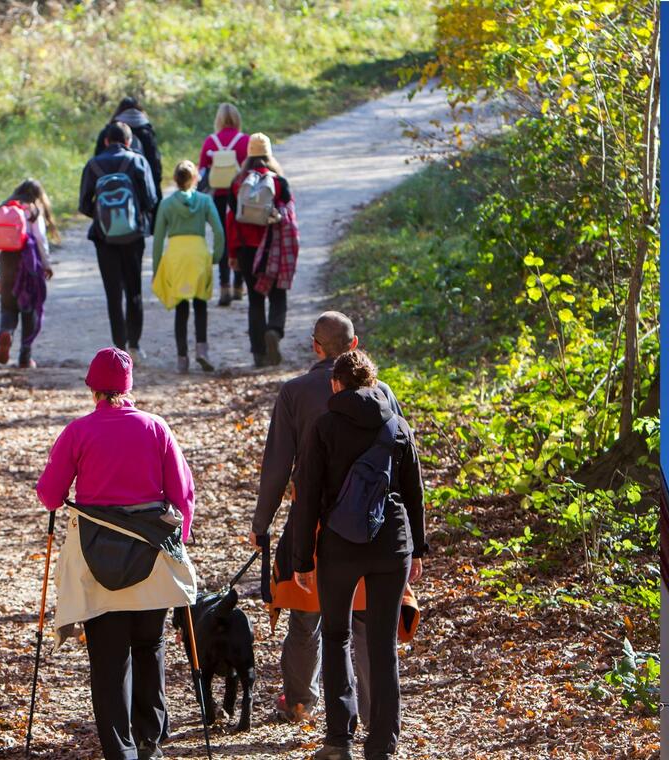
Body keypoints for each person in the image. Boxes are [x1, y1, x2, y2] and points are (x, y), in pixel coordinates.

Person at [36, 347, 198, 760]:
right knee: (149, 645)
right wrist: (184, 538)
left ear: (92, 389)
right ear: (129, 388)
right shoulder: (156, 428)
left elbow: (50, 496)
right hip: (151, 559)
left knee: (109, 660)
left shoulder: (78, 432)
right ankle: (150, 740)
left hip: (97, 560)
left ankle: (119, 750)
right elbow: (183, 495)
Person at [249, 312, 403, 726]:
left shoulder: (295, 393)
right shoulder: (383, 392)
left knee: (307, 614)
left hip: (316, 521)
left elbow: (277, 465)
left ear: (316, 347)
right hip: (374, 522)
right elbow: (401, 462)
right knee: (367, 620)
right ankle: (372, 713)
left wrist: (261, 523)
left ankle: (300, 700)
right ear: (355, 346)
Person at [291, 350, 428, 760]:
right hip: (392, 545)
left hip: (340, 546)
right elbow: (415, 492)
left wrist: (301, 559)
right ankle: (382, 745)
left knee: (336, 636)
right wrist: (418, 548)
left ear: (335, 384)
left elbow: (307, 499)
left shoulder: (324, 428)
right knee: (383, 645)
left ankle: (338, 740)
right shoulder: (397, 425)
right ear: (372, 383)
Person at [79, 122, 159, 363]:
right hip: (134, 237)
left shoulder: (93, 165)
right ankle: (135, 345)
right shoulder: (137, 162)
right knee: (134, 290)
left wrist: (106, 219)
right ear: (128, 141)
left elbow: (83, 205)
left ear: (105, 141)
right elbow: (151, 200)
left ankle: (119, 347)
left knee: (113, 293)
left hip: (104, 239)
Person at [226, 133, 299, 367]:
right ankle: (274, 331)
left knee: (255, 300)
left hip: (247, 250)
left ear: (249, 154)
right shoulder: (279, 182)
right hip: (272, 248)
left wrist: (232, 253)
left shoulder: (238, 183)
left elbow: (232, 220)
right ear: (269, 154)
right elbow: (289, 217)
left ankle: (258, 354)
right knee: (278, 294)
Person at [152, 160, 225, 374]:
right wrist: (215, 256)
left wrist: (157, 268)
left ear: (174, 179)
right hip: (199, 254)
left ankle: (182, 357)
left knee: (181, 307)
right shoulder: (205, 201)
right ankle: (202, 350)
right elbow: (219, 231)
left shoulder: (166, 205)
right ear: (195, 179)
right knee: (201, 304)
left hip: (176, 256)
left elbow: (157, 239)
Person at [0, 178, 58, 368]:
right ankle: (25, 357)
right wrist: (46, 264)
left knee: (8, 307)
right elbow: (40, 240)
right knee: (29, 308)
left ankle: (6, 331)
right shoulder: (32, 211)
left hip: (7, 262)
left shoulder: (2, 209)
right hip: (29, 264)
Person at [197, 103, 249, 306]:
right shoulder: (244, 141)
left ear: (218, 119)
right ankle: (239, 285)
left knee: (222, 238)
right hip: (240, 196)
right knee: (240, 238)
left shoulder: (211, 141)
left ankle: (224, 285)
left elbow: (201, 170)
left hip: (217, 196)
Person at [95, 96, 163, 227]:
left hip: (108, 192)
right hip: (137, 190)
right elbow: (155, 166)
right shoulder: (146, 131)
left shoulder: (108, 131)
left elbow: (97, 159)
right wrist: (153, 203)